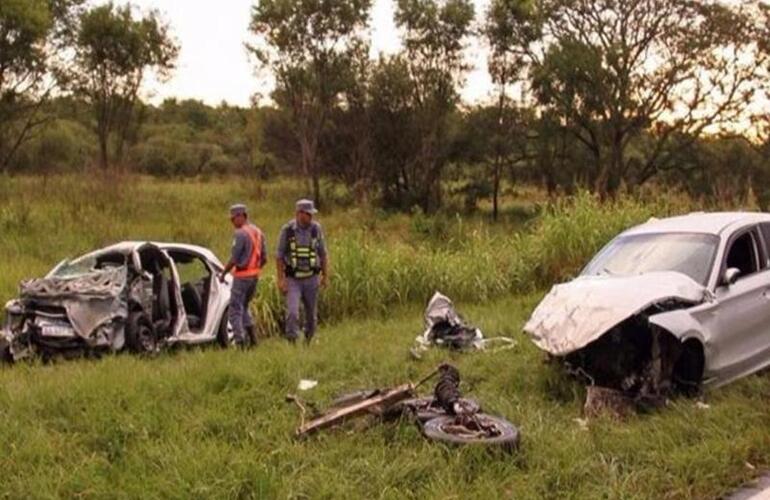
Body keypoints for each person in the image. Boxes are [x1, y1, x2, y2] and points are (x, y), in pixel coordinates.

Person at [276, 199, 329, 344]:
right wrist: (281, 280)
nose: (310, 217)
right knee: (293, 312)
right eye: (307, 214)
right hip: (293, 280)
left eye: (311, 214)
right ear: (299, 214)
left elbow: (323, 254)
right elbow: (279, 256)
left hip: (312, 279)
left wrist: (325, 276)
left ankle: (309, 340)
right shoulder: (287, 230)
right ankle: (292, 340)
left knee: (311, 315)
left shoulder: (316, 229)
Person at [219, 204, 267, 347]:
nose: (232, 222)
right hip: (254, 277)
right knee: (244, 307)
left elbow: (234, 259)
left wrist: (223, 273)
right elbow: (264, 258)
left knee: (234, 310)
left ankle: (240, 342)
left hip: (242, 276)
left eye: (233, 218)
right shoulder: (258, 232)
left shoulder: (240, 234)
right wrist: (255, 269)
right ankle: (253, 340)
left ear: (241, 216)